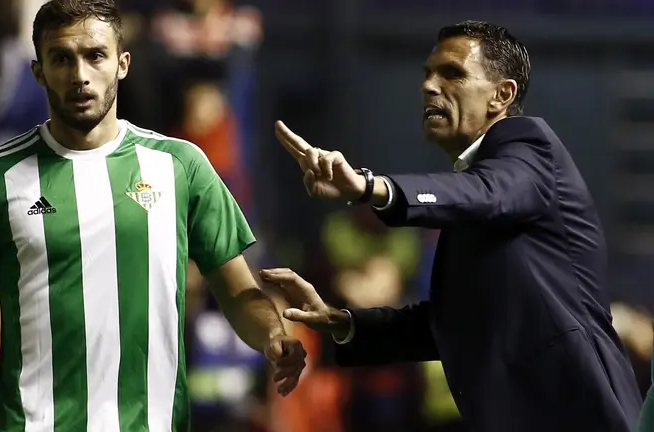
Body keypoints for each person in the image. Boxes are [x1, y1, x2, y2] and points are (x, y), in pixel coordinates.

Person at [0, 1, 307, 432]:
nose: (80, 75)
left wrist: (274, 338)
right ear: (38, 72)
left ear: (122, 64)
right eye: (61, 58)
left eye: (95, 55)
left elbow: (240, 293)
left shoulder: (182, 166)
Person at [260, 20, 642, 432]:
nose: (429, 86)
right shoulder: (473, 200)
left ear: (502, 95)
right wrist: (343, 322)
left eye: (452, 73)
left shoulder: (530, 148)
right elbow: (450, 322)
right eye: (427, 73)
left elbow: (489, 192)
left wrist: (369, 187)